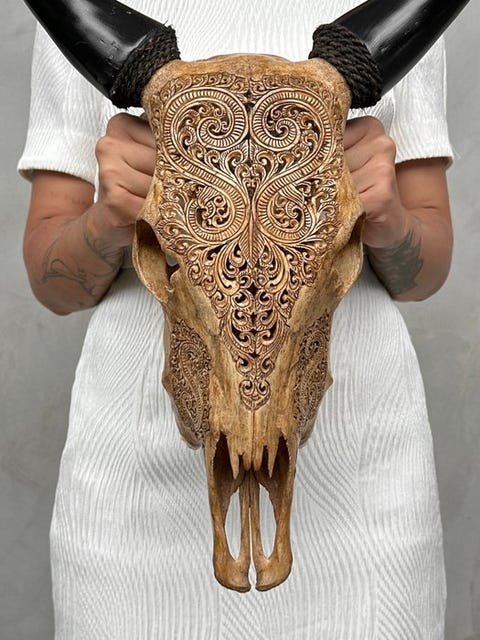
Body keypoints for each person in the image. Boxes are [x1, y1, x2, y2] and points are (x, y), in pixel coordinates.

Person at [19, 0, 453, 638]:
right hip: (134, 492)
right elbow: (54, 286)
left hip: (361, 488)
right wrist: (112, 214)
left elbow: (424, 275)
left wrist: (383, 212)